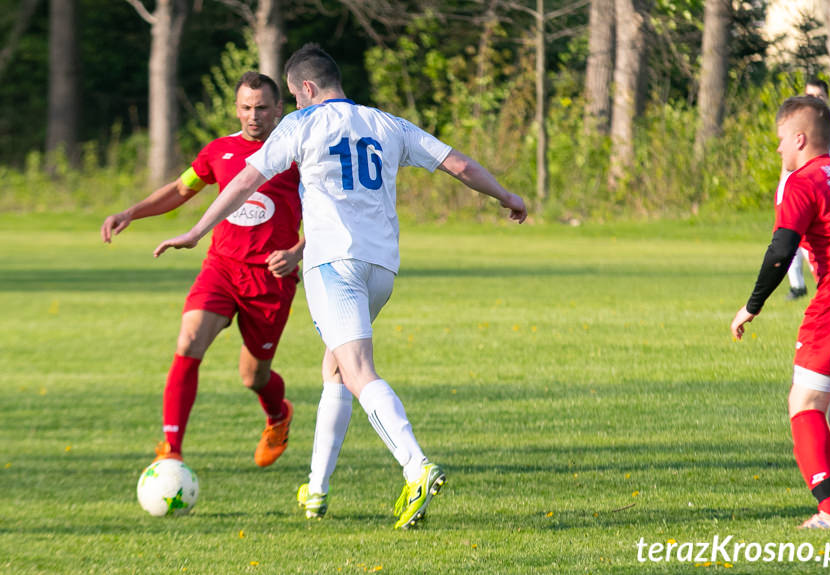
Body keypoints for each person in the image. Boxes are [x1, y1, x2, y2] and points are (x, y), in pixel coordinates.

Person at [153, 44, 527, 529]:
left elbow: (246, 180)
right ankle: (317, 489)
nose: (293, 103)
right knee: (334, 368)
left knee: (356, 369)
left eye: (292, 95)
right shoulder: (389, 124)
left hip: (334, 267)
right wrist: (504, 194)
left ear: (306, 88)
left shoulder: (301, 125)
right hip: (382, 270)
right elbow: (459, 165)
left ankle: (416, 465)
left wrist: (195, 231)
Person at [101, 72, 303, 468]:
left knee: (254, 377)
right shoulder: (218, 152)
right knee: (189, 340)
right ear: (237, 109)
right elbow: (181, 189)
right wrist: (131, 213)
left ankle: (279, 414)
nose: (254, 116)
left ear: (279, 109)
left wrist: (297, 251)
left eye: (262, 108)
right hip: (222, 269)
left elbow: (328, 212)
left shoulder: (299, 155)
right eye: (246, 107)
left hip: (271, 278)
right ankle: (171, 450)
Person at [731, 95, 830, 529]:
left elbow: (781, 249)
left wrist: (751, 306)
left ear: (801, 139)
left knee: (804, 402)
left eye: (781, 139)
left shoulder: (802, 182)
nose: (778, 149)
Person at [785, 78, 830, 301]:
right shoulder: (799, 123)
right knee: (789, 238)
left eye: (820, 96)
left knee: (814, 239)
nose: (815, 100)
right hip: (805, 186)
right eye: (811, 96)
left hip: (828, 188)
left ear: (827, 98)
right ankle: (797, 286)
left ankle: (828, 283)